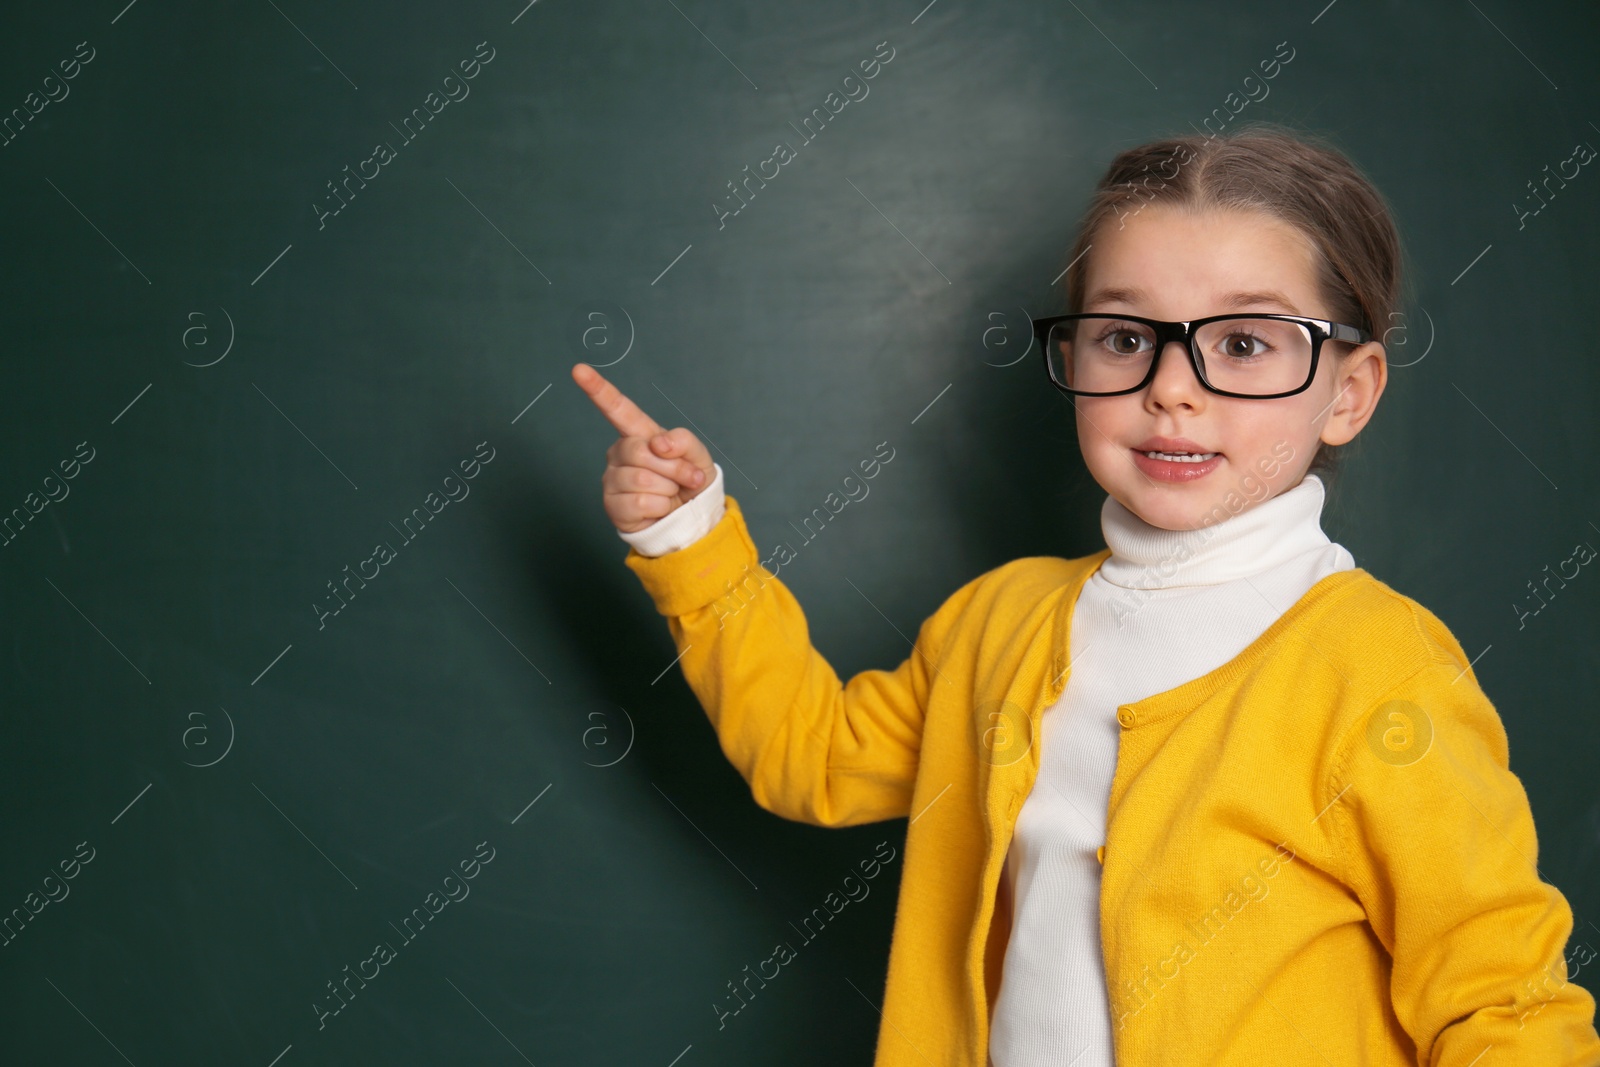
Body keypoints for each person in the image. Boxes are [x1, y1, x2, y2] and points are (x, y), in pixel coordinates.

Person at [572, 122, 1600, 1066]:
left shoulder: (1379, 670)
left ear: (1348, 390)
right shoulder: (997, 622)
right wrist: (691, 538)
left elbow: (1502, 1004)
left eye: (1242, 343)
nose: (1171, 386)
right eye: (1122, 337)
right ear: (1072, 354)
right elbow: (813, 757)